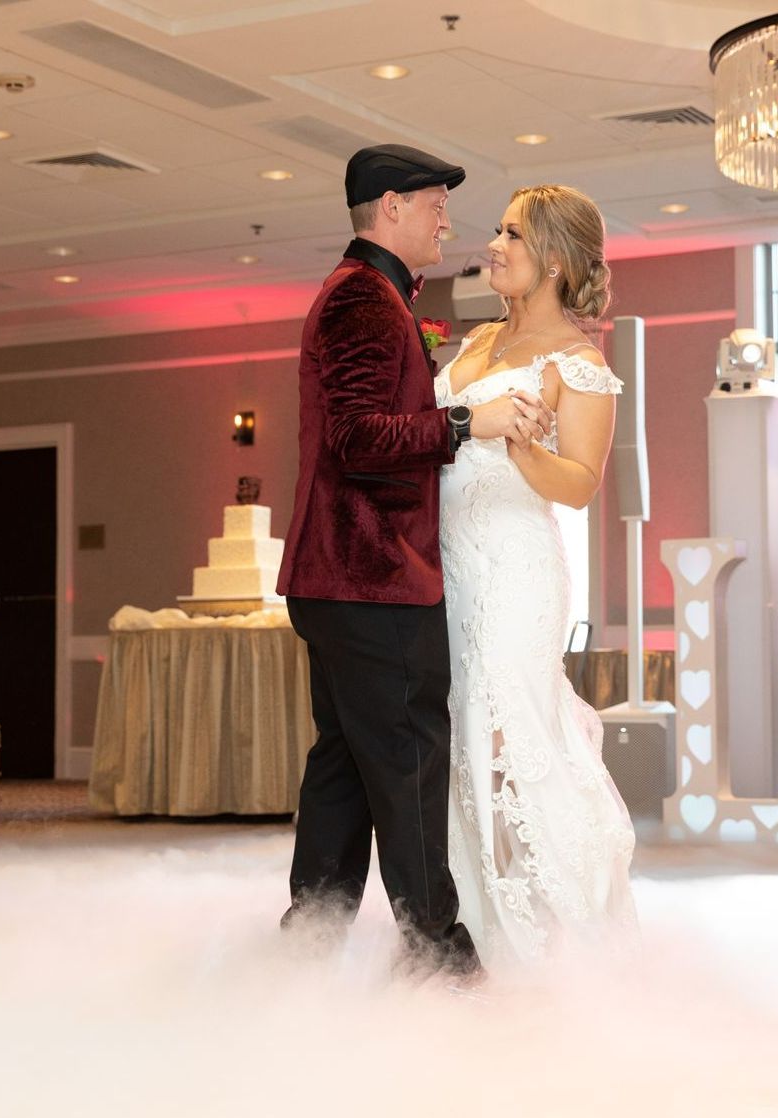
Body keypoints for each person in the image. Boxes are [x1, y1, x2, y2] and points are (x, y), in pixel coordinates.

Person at [276, 144, 550, 977]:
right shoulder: (364, 298)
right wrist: (473, 423)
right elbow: (359, 439)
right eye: (435, 204)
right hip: (372, 578)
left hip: (338, 578)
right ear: (389, 207)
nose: (447, 220)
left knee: (347, 769)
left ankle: (309, 944)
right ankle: (441, 961)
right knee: (409, 768)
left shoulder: (367, 294)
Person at [436, 184, 636, 965]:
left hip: (516, 571)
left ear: (553, 258)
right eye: (497, 230)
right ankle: (473, 928)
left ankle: (562, 938)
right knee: (458, 738)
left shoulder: (579, 364)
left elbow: (581, 484)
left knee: (509, 735)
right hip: (449, 568)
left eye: (511, 235)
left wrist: (522, 447)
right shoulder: (477, 342)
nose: (493, 245)